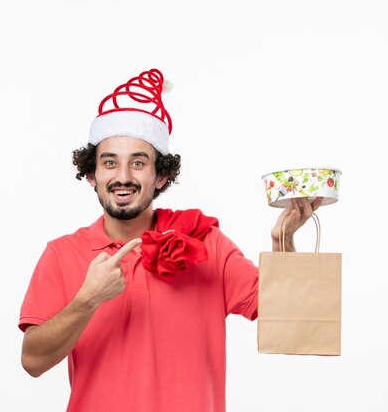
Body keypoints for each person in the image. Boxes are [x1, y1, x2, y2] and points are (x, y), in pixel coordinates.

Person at [18, 69, 322, 412]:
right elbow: (33, 361)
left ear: (161, 175)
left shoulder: (205, 240)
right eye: (109, 163)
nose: (123, 177)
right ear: (91, 174)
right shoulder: (62, 254)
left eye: (138, 162)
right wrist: (88, 298)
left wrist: (283, 241)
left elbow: (290, 315)